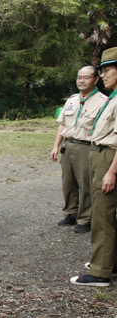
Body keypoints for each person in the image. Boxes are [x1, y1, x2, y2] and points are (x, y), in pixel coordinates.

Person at [71, 48, 117, 287]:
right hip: (100, 155)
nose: (104, 75)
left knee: (102, 216)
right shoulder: (114, 97)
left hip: (109, 158)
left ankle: (100, 272)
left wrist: (111, 171)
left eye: (108, 70)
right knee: (107, 213)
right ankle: (111, 261)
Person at [51, 66, 107, 233]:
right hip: (68, 145)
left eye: (86, 77)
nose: (81, 80)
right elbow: (62, 124)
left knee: (86, 184)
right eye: (79, 77)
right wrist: (56, 145)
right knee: (68, 183)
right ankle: (71, 213)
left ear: (96, 80)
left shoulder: (103, 101)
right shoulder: (72, 100)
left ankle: (85, 218)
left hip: (86, 147)